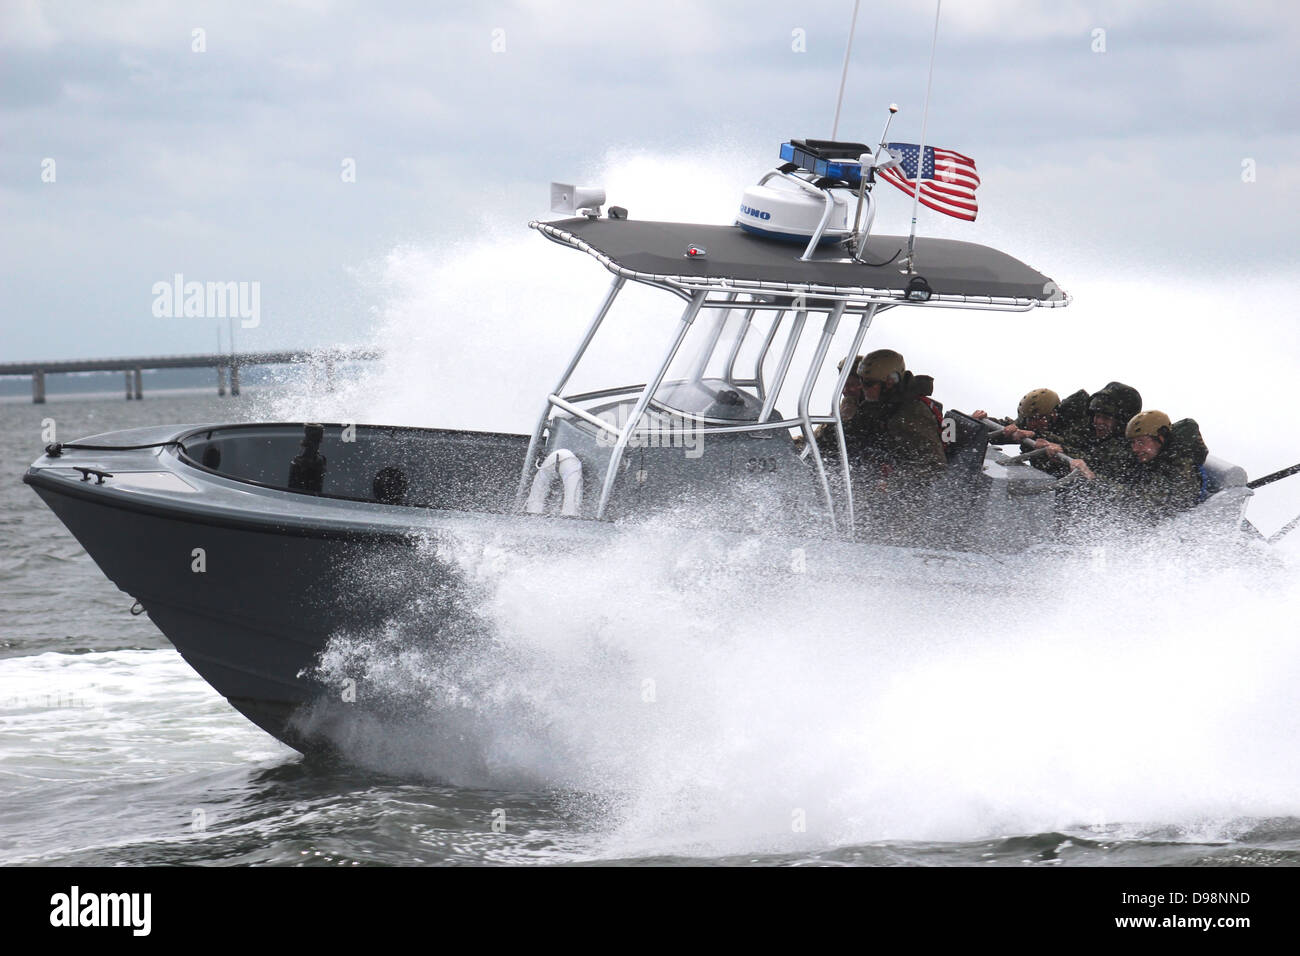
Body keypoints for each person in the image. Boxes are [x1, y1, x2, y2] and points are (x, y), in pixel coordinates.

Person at [1114, 410, 1207, 522]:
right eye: (1133, 443)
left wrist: (1095, 481)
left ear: (1160, 438)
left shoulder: (1182, 468)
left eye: (1140, 442)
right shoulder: (1152, 460)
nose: (1135, 449)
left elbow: (1149, 506)